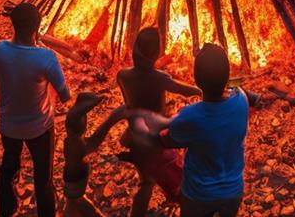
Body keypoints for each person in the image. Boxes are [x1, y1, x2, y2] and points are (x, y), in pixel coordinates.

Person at [0, 3, 71, 217]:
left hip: (8, 126)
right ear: (37, 29)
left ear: (14, 26)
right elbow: (66, 95)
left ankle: (6, 209)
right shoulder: (45, 58)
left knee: (9, 166)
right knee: (43, 176)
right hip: (40, 127)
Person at [144, 43, 253, 217]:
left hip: (199, 195)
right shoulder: (241, 99)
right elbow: (237, 93)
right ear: (228, 77)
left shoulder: (191, 115)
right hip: (233, 191)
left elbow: (167, 140)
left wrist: (168, 122)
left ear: (196, 79)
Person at [117, 28, 201, 216]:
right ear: (156, 54)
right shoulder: (159, 78)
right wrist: (203, 90)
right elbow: (186, 90)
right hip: (156, 144)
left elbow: (130, 106)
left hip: (135, 140)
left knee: (146, 184)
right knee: (180, 187)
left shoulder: (123, 75)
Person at [62, 94, 125, 217]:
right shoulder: (76, 144)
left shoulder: (72, 140)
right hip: (75, 181)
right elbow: (95, 141)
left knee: (74, 203)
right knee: (75, 204)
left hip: (75, 182)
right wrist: (112, 119)